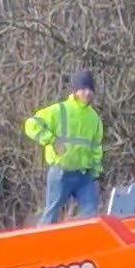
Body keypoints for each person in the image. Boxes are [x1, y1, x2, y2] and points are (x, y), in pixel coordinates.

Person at [23, 70, 104, 225]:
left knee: (90, 214)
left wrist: (96, 174)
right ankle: (40, 244)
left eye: (90, 89)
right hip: (61, 172)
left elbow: (96, 150)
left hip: (84, 175)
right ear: (75, 90)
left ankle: (75, 243)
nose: (87, 93)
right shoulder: (59, 110)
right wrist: (52, 140)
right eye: (83, 88)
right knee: (51, 214)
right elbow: (31, 124)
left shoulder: (95, 119)